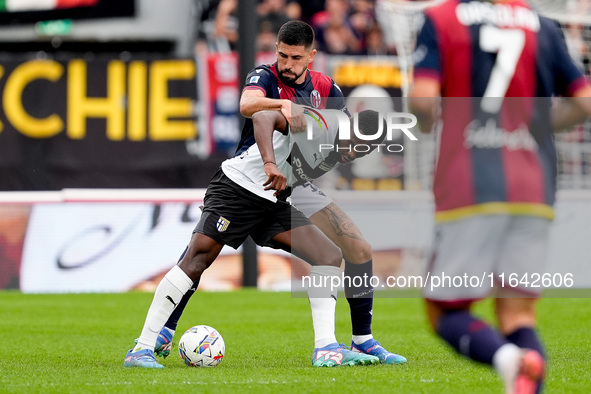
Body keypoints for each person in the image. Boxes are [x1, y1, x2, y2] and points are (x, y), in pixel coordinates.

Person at [153, 20, 407, 365]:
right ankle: (166, 325)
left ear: (311, 57)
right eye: (282, 55)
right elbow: (248, 107)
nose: (287, 64)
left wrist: (349, 148)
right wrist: (283, 106)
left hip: (296, 183)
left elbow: (338, 136)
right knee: (202, 250)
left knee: (357, 246)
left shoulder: (327, 89)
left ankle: (361, 339)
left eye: (295, 58)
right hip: (256, 176)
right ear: (276, 50)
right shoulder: (265, 76)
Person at [409, 0, 591, 393]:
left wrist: (429, 121)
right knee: (517, 313)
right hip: (534, 185)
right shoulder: (543, 25)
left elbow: (423, 101)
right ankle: (524, 366)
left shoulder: (441, 19)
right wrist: (537, 125)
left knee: (444, 310)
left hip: (471, 184)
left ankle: (508, 360)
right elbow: (583, 100)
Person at [124, 108, 387, 368]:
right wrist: (270, 164)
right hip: (238, 189)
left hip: (272, 199)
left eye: (364, 149)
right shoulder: (321, 125)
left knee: (328, 256)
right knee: (198, 258)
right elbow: (263, 116)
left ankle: (326, 348)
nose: (354, 150)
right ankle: (142, 348)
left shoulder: (338, 149)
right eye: (355, 141)